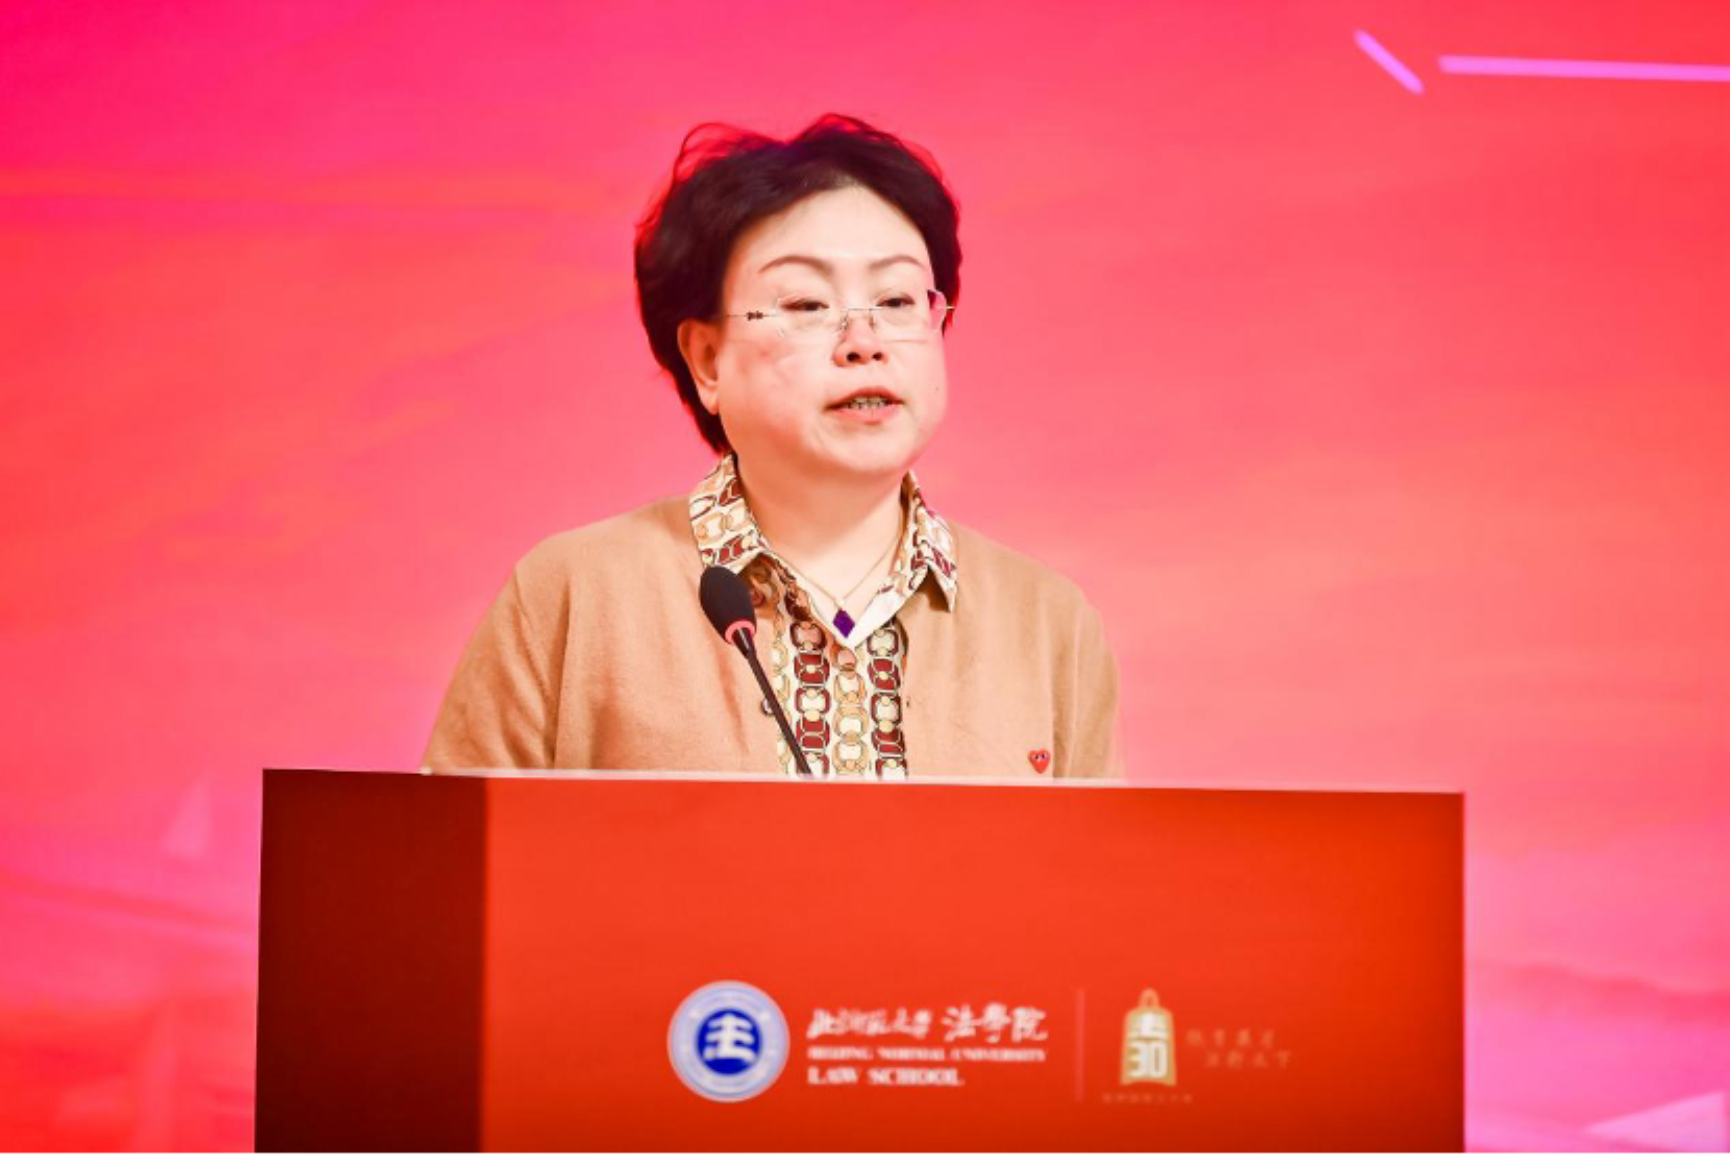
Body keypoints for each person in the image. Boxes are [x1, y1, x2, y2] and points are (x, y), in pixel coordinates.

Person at [421, 113, 1124, 780]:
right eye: (807, 305)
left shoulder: (1048, 623)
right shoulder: (573, 594)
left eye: (897, 301)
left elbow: (1096, 869)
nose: (864, 342)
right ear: (706, 360)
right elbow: (452, 856)